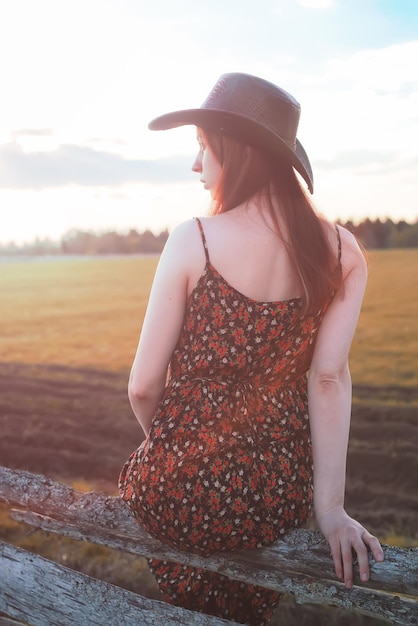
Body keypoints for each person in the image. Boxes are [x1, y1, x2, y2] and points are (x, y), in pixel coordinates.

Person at [118, 73, 384, 625]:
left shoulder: (194, 238)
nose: (195, 165)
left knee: (193, 578)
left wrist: (175, 451)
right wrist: (330, 511)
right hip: (277, 495)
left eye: (200, 147)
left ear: (233, 150)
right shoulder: (341, 251)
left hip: (178, 490)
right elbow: (328, 378)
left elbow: (142, 386)